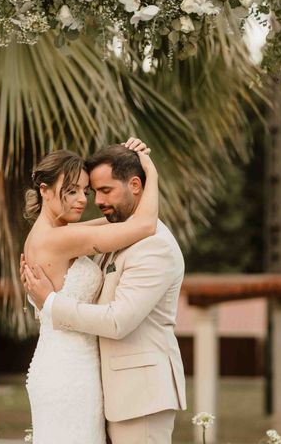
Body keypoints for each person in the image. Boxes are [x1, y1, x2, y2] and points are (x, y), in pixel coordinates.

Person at [24, 142, 187, 444]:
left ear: (135, 185)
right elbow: (142, 223)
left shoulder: (152, 244)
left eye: (95, 191)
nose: (90, 201)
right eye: (73, 191)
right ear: (45, 191)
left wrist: (51, 303)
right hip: (70, 373)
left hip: (134, 393)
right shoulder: (61, 238)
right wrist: (149, 171)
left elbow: (143, 224)